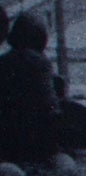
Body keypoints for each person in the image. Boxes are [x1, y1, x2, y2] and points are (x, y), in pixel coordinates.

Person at [0, 13, 62, 165]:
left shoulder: (4, 61)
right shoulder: (42, 63)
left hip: (8, 139)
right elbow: (51, 106)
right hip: (39, 140)